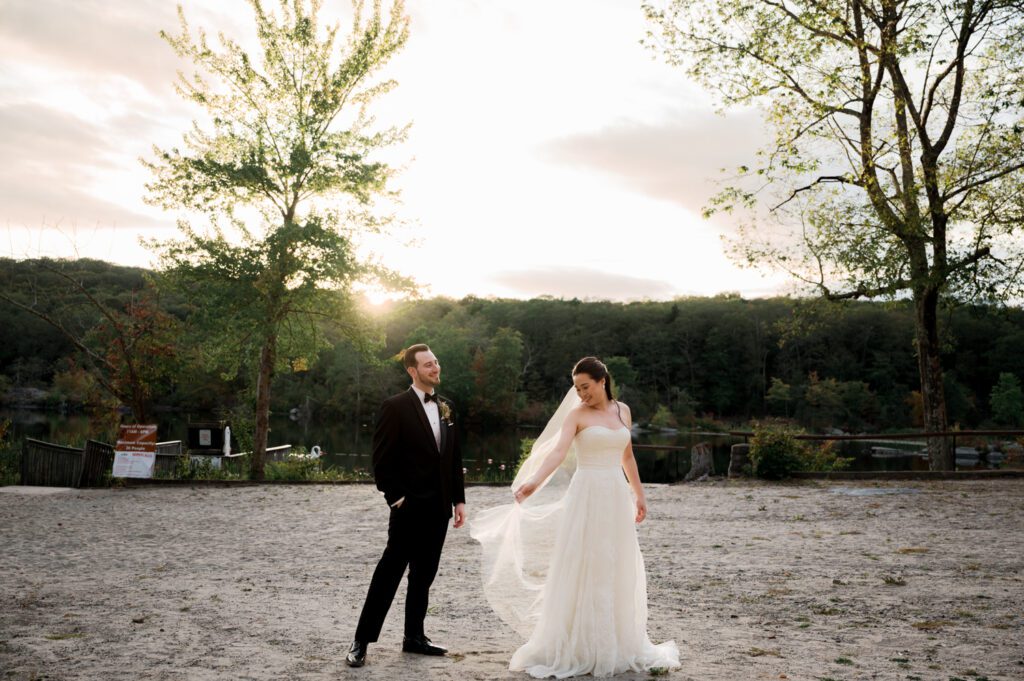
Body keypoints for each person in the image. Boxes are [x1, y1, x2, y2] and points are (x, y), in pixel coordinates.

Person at [470, 356, 680, 678]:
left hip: (615, 494)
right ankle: (584, 644)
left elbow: (627, 456)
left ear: (602, 381)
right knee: (587, 562)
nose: (582, 394)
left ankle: (618, 641)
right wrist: (533, 482)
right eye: (577, 389)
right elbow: (557, 452)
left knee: (616, 562)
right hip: (587, 495)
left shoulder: (622, 410)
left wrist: (639, 494)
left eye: (586, 387)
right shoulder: (577, 414)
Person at [346, 344, 467, 668]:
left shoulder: (447, 407)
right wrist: (396, 498)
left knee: (423, 576)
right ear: (412, 371)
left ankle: (414, 637)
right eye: (428, 365)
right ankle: (361, 641)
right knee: (388, 575)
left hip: (440, 508)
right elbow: (381, 460)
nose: (435, 368)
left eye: (436, 362)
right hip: (408, 509)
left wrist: (459, 500)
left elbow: (453, 458)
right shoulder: (395, 407)